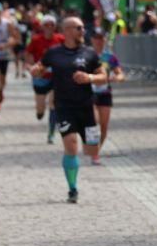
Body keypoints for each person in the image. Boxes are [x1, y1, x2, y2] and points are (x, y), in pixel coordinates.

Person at [31, 17, 106, 203]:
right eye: (79, 28)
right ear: (67, 30)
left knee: (92, 149)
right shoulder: (54, 53)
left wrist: (89, 78)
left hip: (86, 107)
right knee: (71, 145)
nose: (83, 31)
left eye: (83, 28)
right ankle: (72, 189)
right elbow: (40, 66)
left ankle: (84, 156)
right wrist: (36, 70)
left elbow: (103, 77)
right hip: (64, 107)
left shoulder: (89, 53)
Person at [25, 14, 65, 143]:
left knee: (53, 104)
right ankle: (40, 112)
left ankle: (51, 133)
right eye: (46, 25)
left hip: (56, 77)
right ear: (42, 27)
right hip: (41, 77)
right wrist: (31, 67)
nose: (49, 27)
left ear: (55, 26)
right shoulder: (36, 40)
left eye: (52, 25)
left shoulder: (60, 39)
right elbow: (28, 55)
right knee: (40, 109)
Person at [89, 28, 125, 159]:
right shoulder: (86, 55)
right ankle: (92, 148)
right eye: (96, 38)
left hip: (105, 93)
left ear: (105, 39)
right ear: (91, 40)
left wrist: (118, 77)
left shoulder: (109, 57)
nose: (98, 41)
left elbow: (119, 73)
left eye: (101, 38)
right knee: (94, 121)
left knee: (104, 126)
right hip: (89, 93)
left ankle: (96, 152)